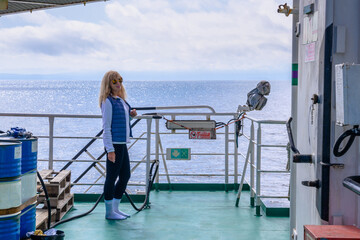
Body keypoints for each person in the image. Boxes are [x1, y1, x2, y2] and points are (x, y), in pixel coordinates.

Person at [99, 70, 137, 220]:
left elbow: (123, 121)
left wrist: (131, 116)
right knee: (111, 177)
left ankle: (115, 208)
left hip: (122, 144)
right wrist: (110, 149)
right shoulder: (107, 101)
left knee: (125, 175)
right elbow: (106, 127)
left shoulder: (121, 100)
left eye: (120, 80)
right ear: (108, 84)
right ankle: (109, 212)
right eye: (114, 81)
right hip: (114, 145)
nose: (118, 84)